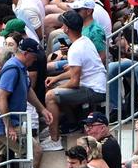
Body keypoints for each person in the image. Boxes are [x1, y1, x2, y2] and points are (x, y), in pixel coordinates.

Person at [43, 10, 106, 151]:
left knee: (51, 96)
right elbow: (75, 72)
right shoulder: (84, 41)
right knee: (54, 87)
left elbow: (74, 82)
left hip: (94, 89)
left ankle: (54, 140)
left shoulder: (76, 49)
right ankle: (71, 124)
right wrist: (56, 79)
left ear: (66, 28)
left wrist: (56, 89)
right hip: (92, 84)